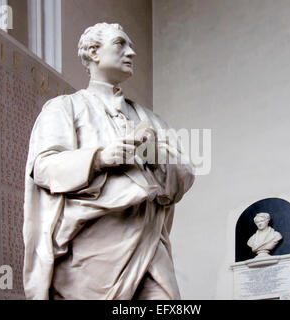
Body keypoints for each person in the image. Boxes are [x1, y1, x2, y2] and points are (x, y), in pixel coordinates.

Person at [22, 22, 195, 300]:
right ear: (93, 52)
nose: (132, 53)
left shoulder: (151, 120)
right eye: (120, 44)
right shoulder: (64, 108)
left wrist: (153, 152)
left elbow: (182, 179)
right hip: (90, 256)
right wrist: (99, 158)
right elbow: (43, 169)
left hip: (148, 248)